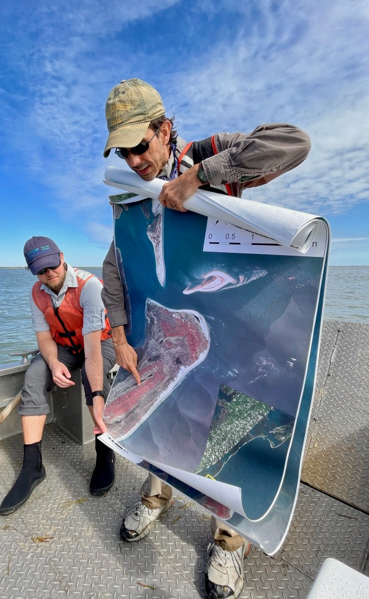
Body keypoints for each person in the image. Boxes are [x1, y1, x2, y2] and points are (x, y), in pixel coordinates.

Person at [100, 79, 311, 599]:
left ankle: (227, 541)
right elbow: (114, 266)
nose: (132, 160)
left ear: (165, 129)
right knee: (164, 421)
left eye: (140, 145)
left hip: (238, 329)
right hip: (171, 332)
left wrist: (200, 177)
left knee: (229, 433)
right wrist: (121, 336)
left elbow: (293, 142)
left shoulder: (211, 154)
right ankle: (156, 497)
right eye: (122, 151)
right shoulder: (130, 197)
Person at [0, 236, 116, 516]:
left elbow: (93, 351)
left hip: (98, 343)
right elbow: (43, 338)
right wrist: (52, 363)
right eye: (41, 270)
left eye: (53, 264)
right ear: (32, 271)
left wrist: (97, 395)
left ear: (62, 257)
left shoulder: (90, 287)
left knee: (92, 378)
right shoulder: (36, 293)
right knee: (34, 375)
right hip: (62, 347)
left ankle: (105, 455)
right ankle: (32, 467)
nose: (50, 273)